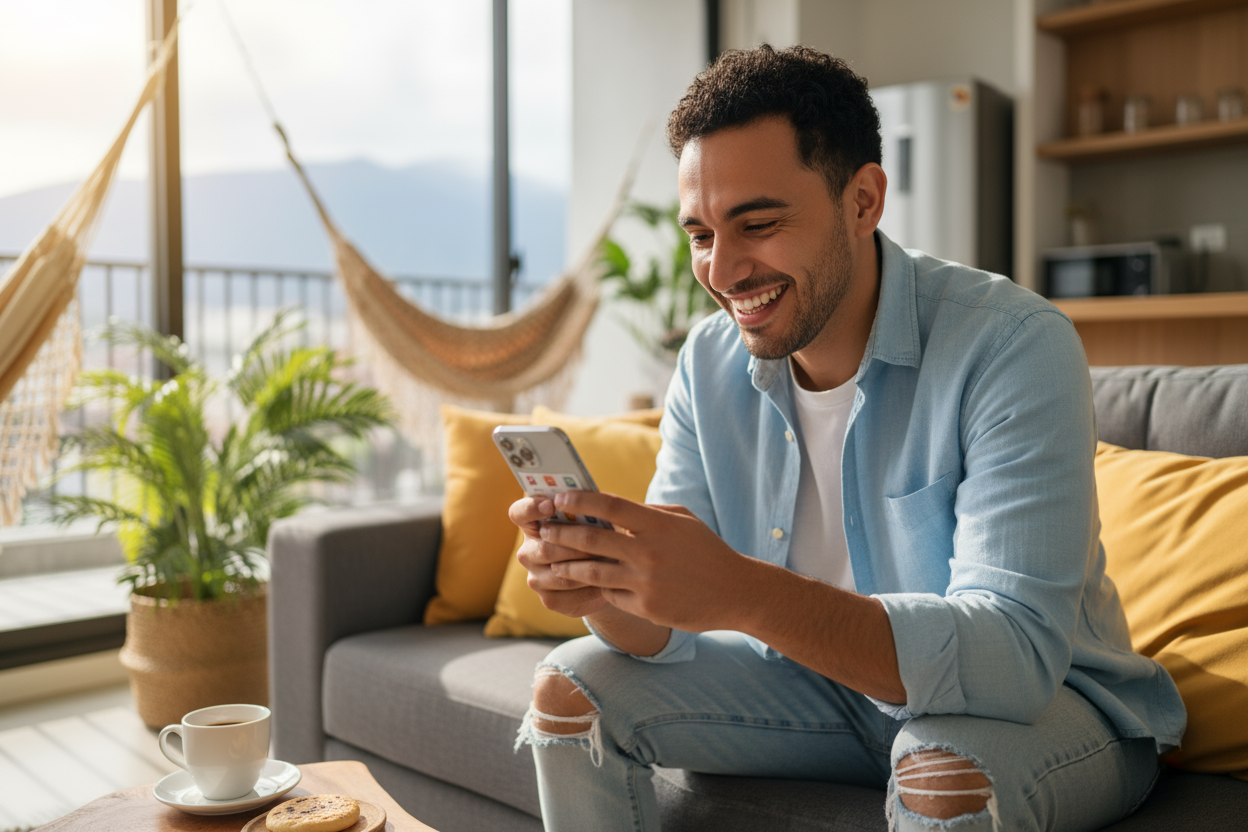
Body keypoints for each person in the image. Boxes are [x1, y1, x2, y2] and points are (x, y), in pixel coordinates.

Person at [509, 45, 1184, 832]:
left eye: (758, 224)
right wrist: (606, 587)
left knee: (942, 775)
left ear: (863, 201)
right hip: (820, 690)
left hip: (1054, 707)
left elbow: (1015, 660)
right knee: (570, 690)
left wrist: (741, 591)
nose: (722, 271)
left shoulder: (1013, 344)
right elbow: (666, 631)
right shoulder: (708, 361)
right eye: (701, 235)